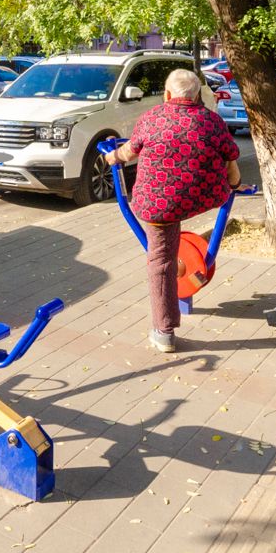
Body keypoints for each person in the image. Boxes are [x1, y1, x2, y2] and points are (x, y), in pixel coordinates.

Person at [105, 68, 243, 353]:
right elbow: (231, 156)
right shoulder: (213, 121)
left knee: (161, 261)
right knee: (217, 196)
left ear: (167, 94)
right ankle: (184, 289)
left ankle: (164, 332)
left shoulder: (152, 118)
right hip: (204, 197)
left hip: (160, 205)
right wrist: (235, 183)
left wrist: (111, 157)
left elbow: (129, 152)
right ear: (196, 95)